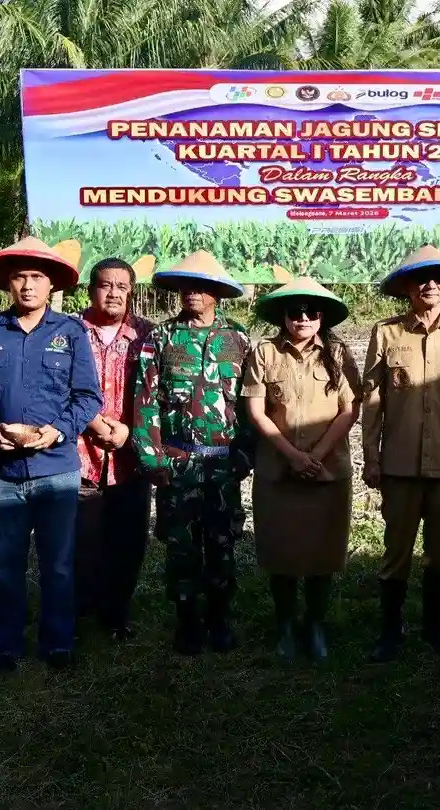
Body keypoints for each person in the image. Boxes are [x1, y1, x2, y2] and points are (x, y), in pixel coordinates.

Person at [0, 236, 101, 672]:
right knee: (5, 565)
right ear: (8, 284)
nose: (28, 285)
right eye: (19, 277)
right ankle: (7, 645)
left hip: (57, 470)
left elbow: (87, 397)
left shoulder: (70, 332)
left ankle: (57, 642)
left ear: (52, 284)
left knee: (57, 565)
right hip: (3, 471)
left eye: (37, 277)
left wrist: (57, 432)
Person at [361, 246, 440, 662]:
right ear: (409, 289)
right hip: (398, 464)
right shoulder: (386, 333)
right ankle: (389, 632)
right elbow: (373, 399)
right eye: (421, 279)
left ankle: (434, 629)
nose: (429, 285)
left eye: (438, 278)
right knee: (395, 552)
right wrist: (372, 456)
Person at [132, 251, 254, 655]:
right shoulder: (160, 339)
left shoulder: (238, 339)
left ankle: (219, 618)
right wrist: (152, 459)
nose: (192, 294)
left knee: (221, 541)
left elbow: (251, 404)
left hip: (222, 461)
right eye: (186, 286)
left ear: (218, 292)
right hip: (178, 460)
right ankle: (186, 622)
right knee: (181, 546)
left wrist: (245, 456)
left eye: (201, 286)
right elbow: (145, 400)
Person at [243, 278, 360, 662]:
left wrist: (317, 455)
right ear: (284, 317)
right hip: (279, 470)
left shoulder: (339, 353)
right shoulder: (265, 353)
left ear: (322, 316)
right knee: (282, 553)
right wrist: (292, 455)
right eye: (295, 312)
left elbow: (349, 409)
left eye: (312, 311)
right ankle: (285, 626)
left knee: (323, 553)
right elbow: (256, 411)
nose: (304, 318)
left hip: (327, 472)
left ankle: (315, 624)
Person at [73, 257, 153, 640]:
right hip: (78, 455)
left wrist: (129, 432)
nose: (114, 293)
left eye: (122, 287)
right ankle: (78, 612)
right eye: (106, 285)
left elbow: (163, 394)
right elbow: (54, 387)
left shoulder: (148, 336)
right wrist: (91, 421)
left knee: (127, 540)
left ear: (131, 292)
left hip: (130, 456)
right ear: (91, 290)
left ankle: (116, 613)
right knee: (79, 540)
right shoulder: (67, 332)